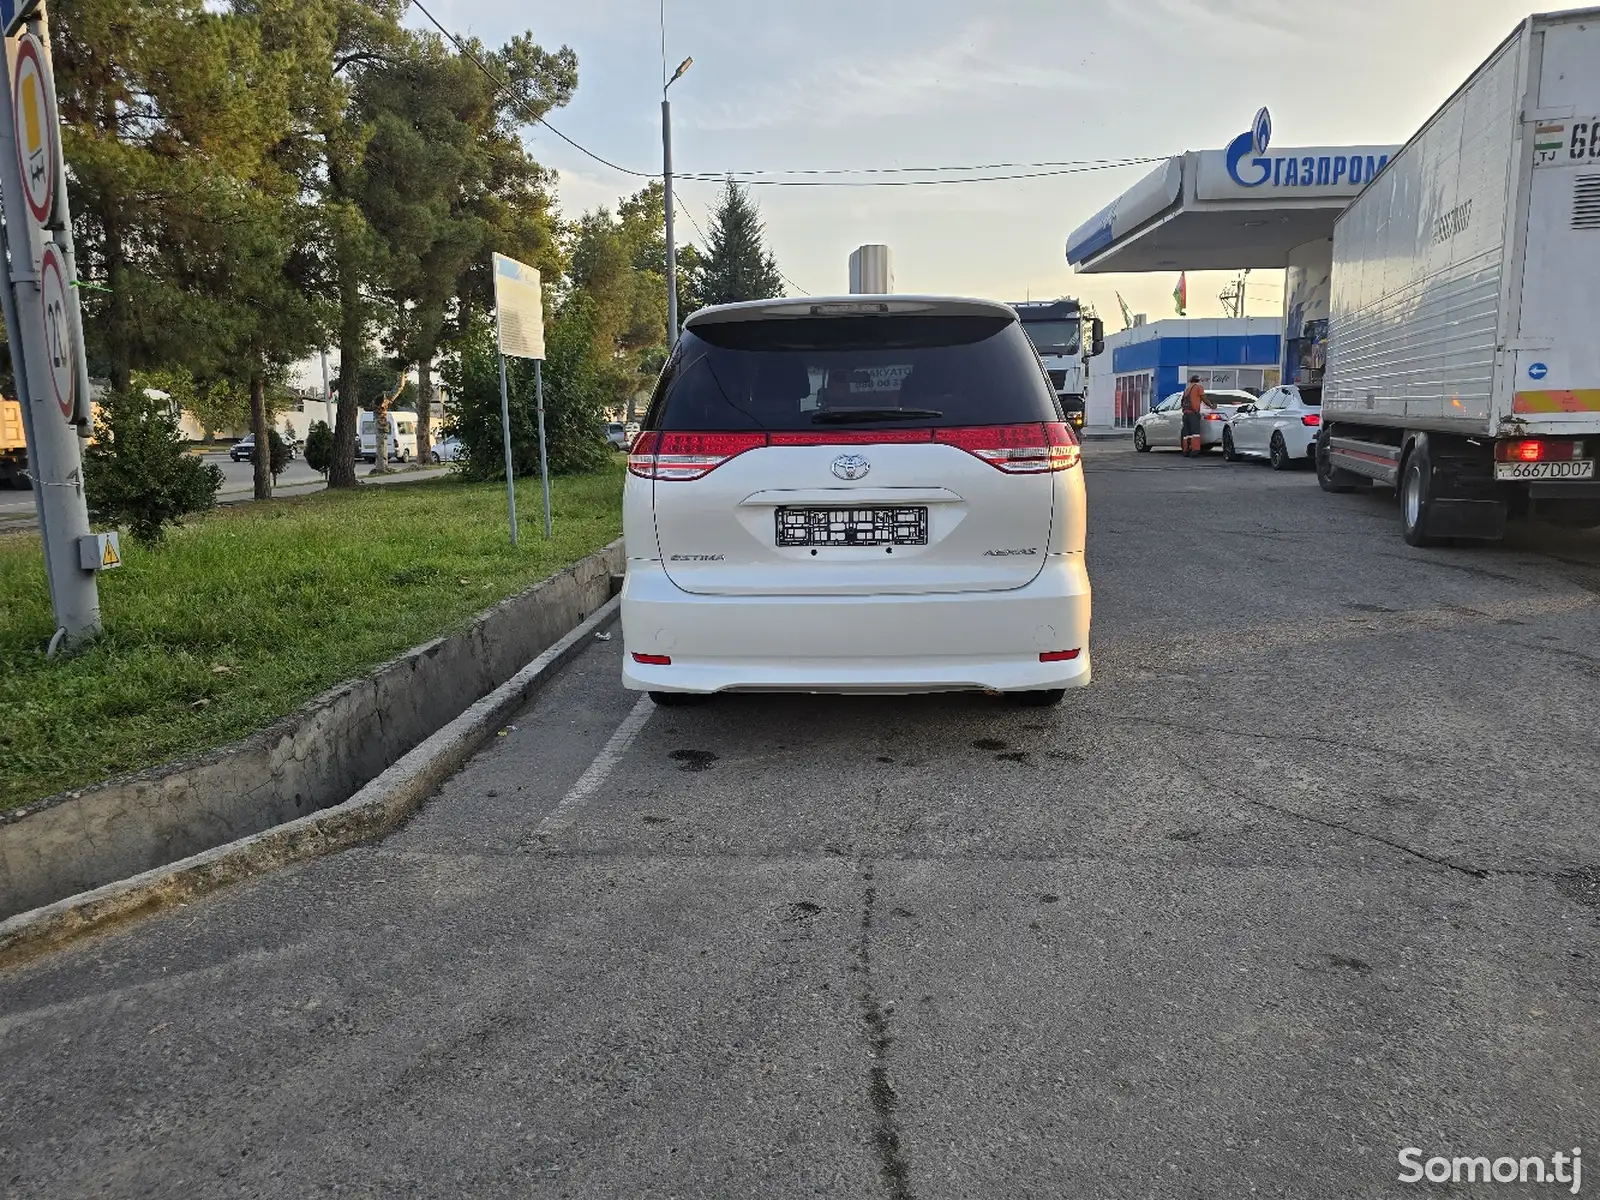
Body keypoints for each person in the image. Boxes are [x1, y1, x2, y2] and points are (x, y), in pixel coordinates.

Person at [1180, 374, 1206, 456]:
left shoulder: (1187, 388)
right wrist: (1211, 405)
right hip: (1193, 413)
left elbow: (1182, 401)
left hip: (1186, 413)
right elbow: (1203, 398)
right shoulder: (1198, 387)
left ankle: (1186, 450)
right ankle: (1195, 450)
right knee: (1195, 433)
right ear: (1198, 381)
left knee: (1186, 433)